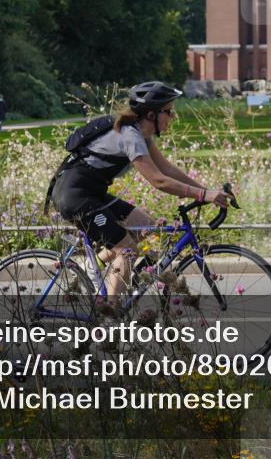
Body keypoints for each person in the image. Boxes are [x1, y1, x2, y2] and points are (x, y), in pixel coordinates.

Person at [49, 81, 234, 302]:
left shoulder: (142, 134)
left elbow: (166, 169)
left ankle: (94, 265)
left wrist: (206, 192)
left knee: (148, 228)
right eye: (168, 112)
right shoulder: (130, 136)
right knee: (127, 251)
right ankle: (110, 316)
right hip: (76, 197)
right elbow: (159, 181)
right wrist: (203, 196)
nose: (172, 117)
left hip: (91, 194)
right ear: (151, 114)